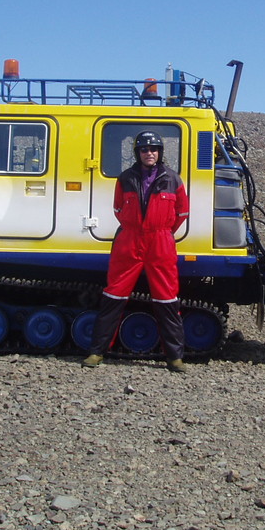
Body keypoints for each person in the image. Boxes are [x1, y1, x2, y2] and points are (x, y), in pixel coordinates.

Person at [82, 130, 190, 372]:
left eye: (153, 149)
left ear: (160, 153)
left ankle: (174, 358)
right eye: (144, 149)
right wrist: (136, 227)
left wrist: (161, 231)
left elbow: (182, 212)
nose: (149, 153)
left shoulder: (173, 179)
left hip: (160, 242)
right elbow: (118, 208)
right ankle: (96, 352)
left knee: (167, 298)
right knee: (114, 296)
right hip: (129, 241)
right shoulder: (125, 178)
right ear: (137, 153)